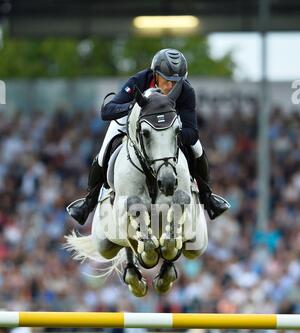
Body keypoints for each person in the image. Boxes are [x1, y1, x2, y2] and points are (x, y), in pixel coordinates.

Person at [67, 48, 230, 225]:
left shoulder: (186, 91)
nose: (170, 86)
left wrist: (169, 137)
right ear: (155, 74)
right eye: (166, 80)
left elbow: (192, 132)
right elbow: (107, 110)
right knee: (105, 149)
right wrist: (132, 108)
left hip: (169, 131)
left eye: (176, 82)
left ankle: (208, 197)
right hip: (132, 123)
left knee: (197, 149)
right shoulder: (140, 80)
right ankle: (89, 201)